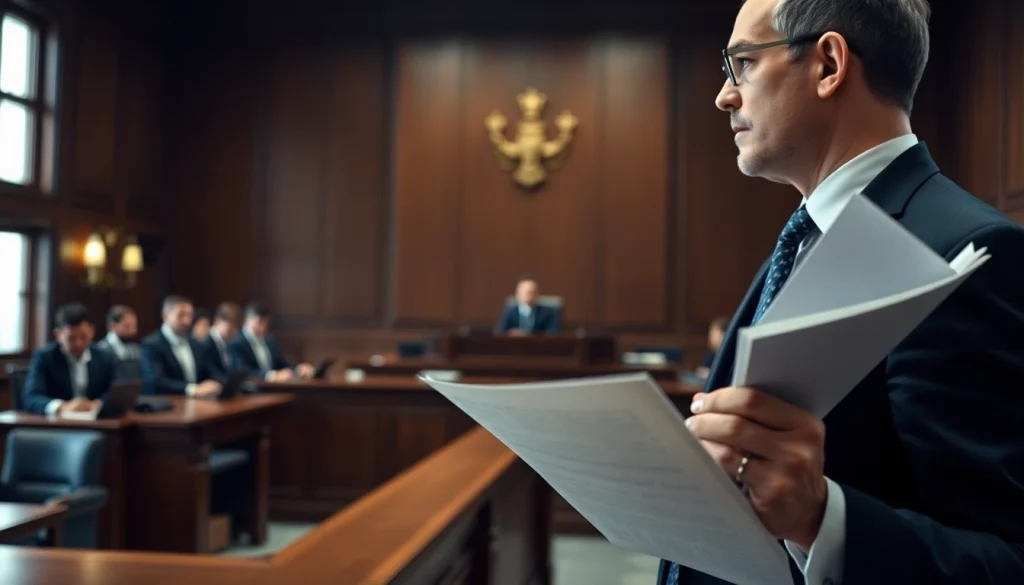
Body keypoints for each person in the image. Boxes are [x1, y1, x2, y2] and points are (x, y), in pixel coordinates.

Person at [661, 1, 1024, 584]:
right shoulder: (805, 233)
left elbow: (1007, 559)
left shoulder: (964, 250)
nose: (724, 97)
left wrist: (822, 520)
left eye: (743, 64)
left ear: (828, 63)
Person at [22, 303, 118, 416]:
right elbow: (31, 398)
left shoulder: (105, 357)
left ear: (92, 332)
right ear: (58, 335)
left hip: (97, 422)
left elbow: (117, 391)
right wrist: (61, 406)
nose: (78, 344)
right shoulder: (45, 357)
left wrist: (100, 403)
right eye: (71, 339)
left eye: (83, 337)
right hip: (58, 425)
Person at [139, 295, 222, 397]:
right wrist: (192, 389)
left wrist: (218, 383)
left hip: (196, 403)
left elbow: (211, 371)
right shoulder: (151, 344)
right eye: (181, 315)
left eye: (190, 316)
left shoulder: (194, 343)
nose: (187, 321)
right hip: (167, 404)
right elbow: (155, 382)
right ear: (165, 315)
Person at [230, 303, 314, 381]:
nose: (263, 327)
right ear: (247, 319)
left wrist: (297, 368)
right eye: (260, 322)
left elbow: (280, 361)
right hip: (251, 388)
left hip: (271, 387)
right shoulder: (236, 341)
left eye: (266, 323)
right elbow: (242, 371)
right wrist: (270, 375)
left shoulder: (269, 339)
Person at [495, 276, 561, 336]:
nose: (527, 296)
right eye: (524, 292)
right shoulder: (510, 311)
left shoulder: (548, 313)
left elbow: (553, 333)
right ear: (517, 294)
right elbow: (499, 332)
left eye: (531, 292)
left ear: (537, 294)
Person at [199, 302, 243, 379]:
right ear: (218, 321)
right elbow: (211, 373)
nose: (235, 330)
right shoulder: (204, 342)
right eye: (232, 325)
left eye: (237, 326)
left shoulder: (229, 343)